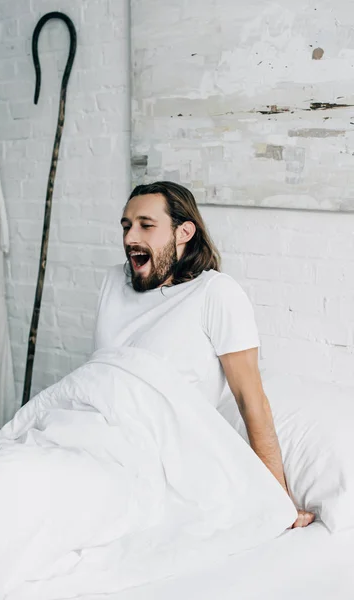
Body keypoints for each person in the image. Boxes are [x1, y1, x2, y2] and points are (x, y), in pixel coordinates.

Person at [93, 181, 315, 529]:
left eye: (146, 225)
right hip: (91, 431)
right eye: (126, 225)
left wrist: (277, 501)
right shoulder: (112, 282)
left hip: (150, 458)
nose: (130, 238)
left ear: (184, 232)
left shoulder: (215, 293)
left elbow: (251, 400)